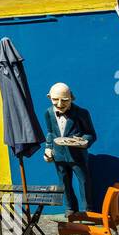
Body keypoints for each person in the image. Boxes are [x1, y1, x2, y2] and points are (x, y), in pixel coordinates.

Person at [42, 82, 97, 214]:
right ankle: (70, 208)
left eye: (65, 100)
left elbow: (91, 134)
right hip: (58, 154)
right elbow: (50, 133)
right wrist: (48, 148)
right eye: (55, 100)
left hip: (77, 155)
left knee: (84, 182)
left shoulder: (82, 113)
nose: (60, 104)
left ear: (71, 98)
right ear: (49, 97)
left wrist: (84, 142)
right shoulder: (48, 113)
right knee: (64, 183)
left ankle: (87, 210)